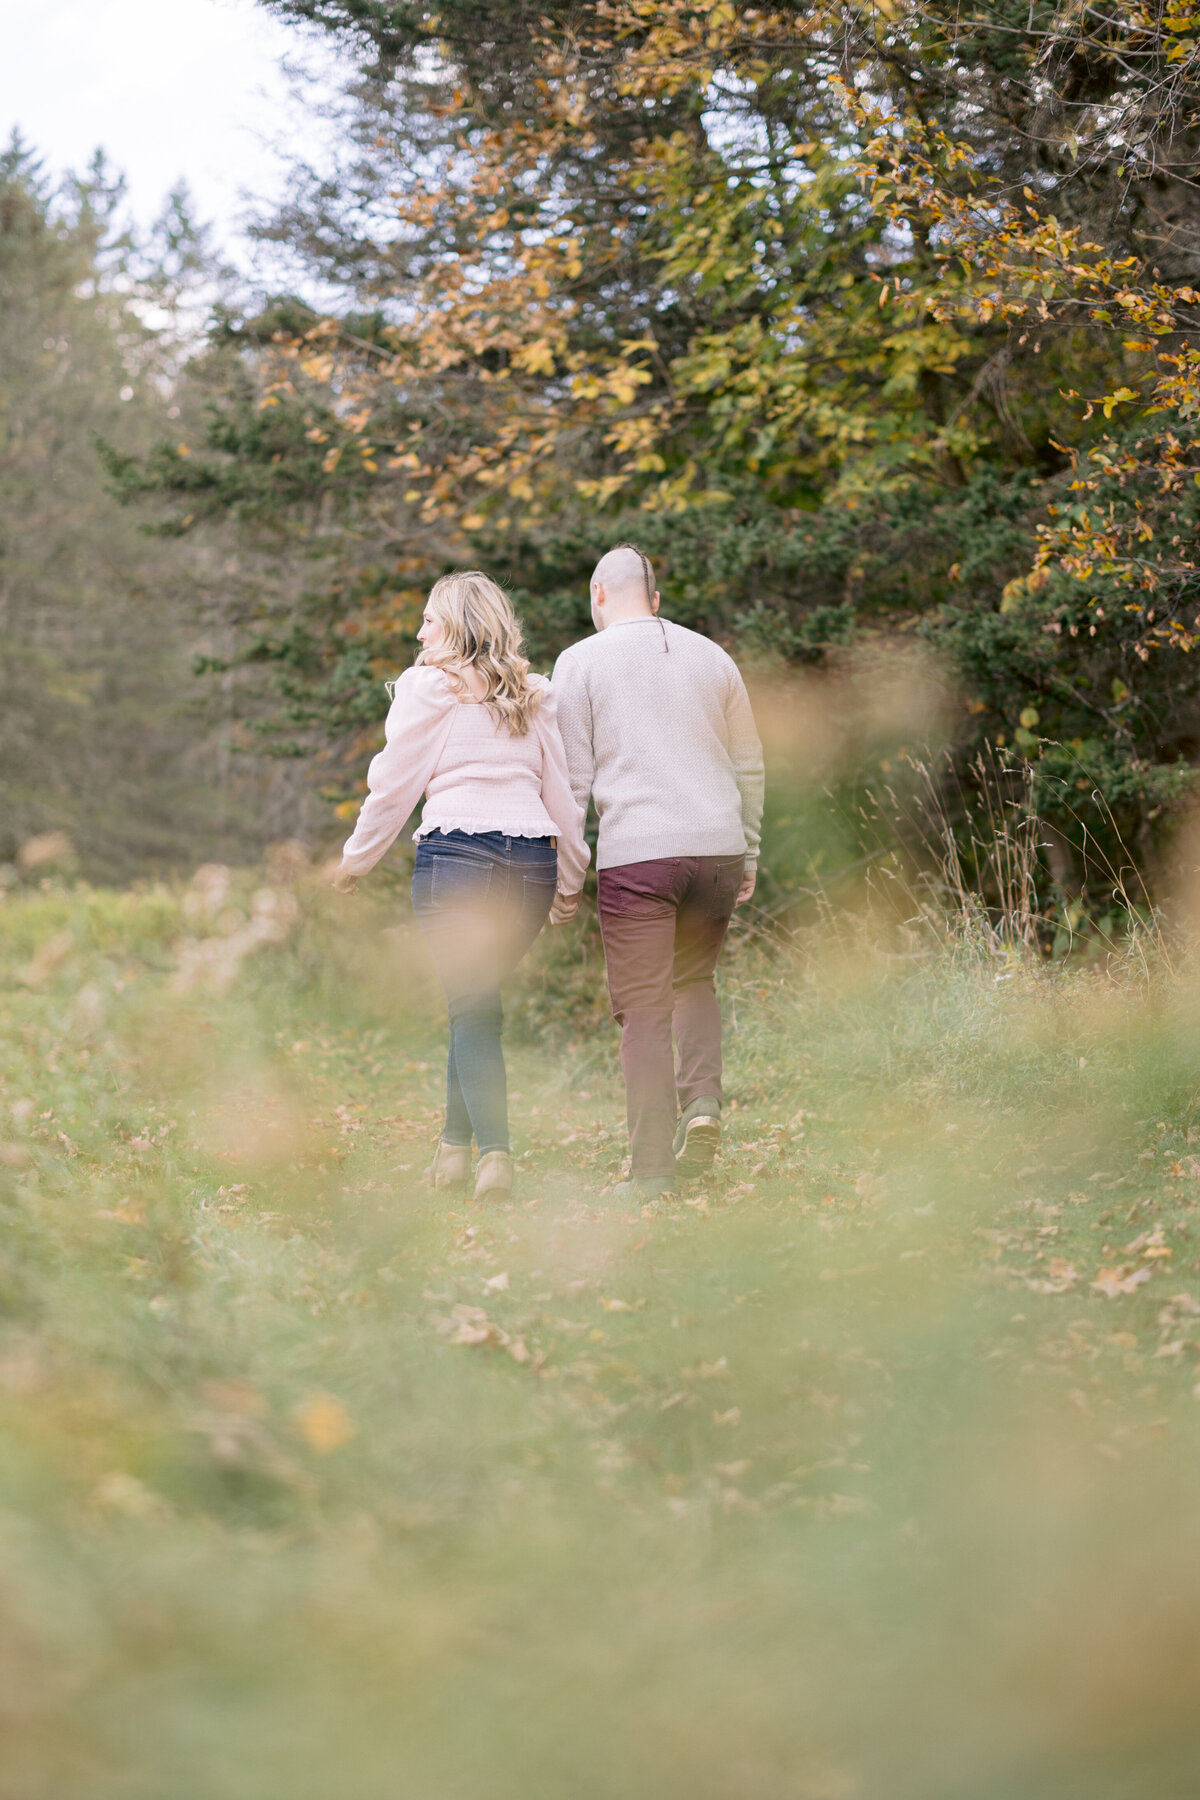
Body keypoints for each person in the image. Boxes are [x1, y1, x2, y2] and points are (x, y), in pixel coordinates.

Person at [333, 572, 589, 1201]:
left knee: (473, 1008)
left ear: (456, 625)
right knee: (471, 1005)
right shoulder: (532, 692)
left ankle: (496, 1158)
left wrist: (355, 860)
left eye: (429, 619)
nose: (419, 632)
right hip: (529, 865)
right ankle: (452, 1152)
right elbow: (563, 793)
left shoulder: (428, 688)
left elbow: (393, 783)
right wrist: (570, 874)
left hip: (458, 858)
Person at [551, 544, 764, 1198]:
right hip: (718, 850)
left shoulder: (579, 662)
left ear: (597, 595)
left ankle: (649, 1173)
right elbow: (749, 763)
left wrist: (567, 873)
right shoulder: (713, 656)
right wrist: (749, 850)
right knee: (694, 980)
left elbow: (573, 783)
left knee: (643, 1010)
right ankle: (701, 1105)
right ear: (657, 599)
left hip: (640, 856)